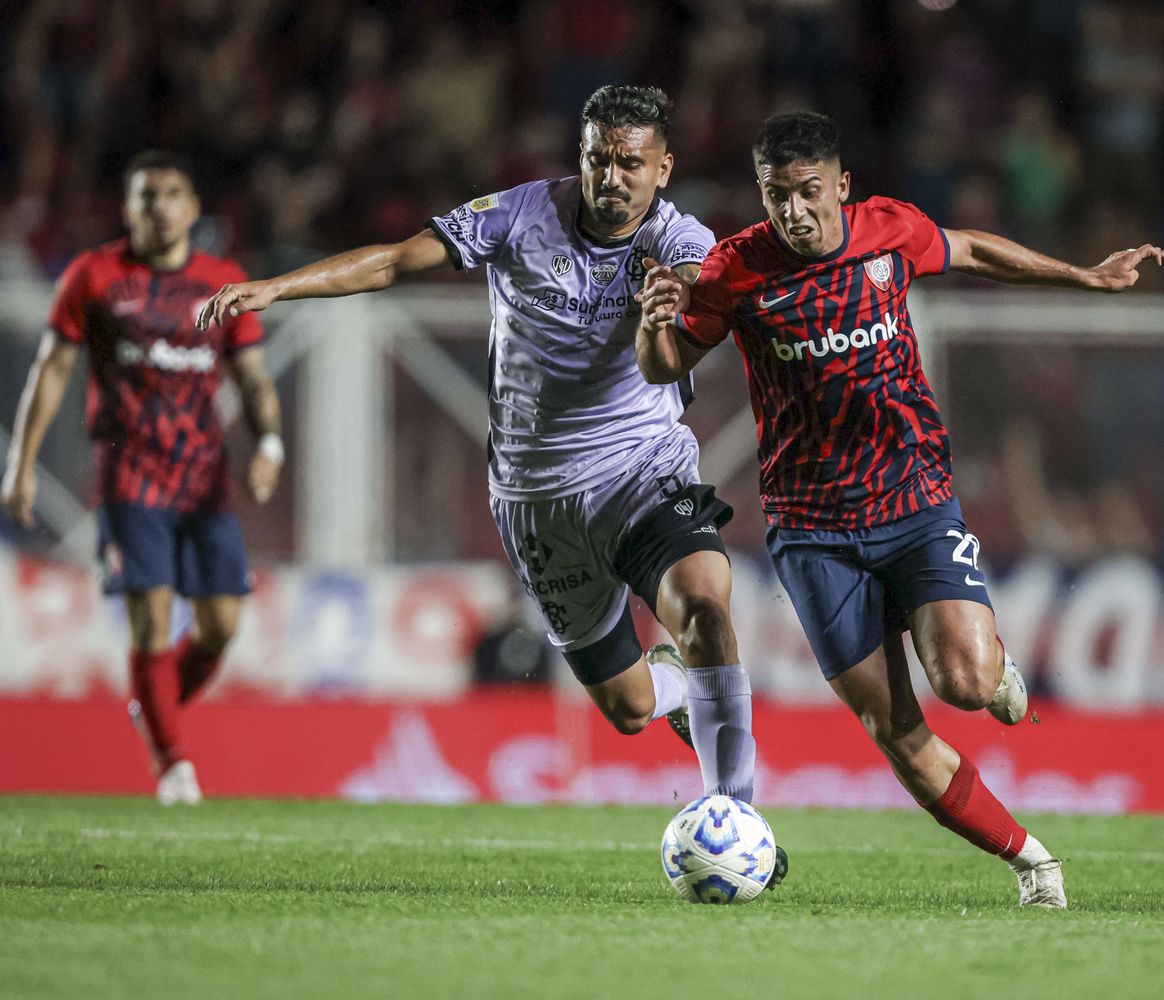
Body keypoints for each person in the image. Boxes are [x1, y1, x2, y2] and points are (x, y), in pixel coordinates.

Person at [196, 86, 786, 885]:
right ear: (581, 156)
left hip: (641, 469)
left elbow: (696, 288)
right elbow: (396, 261)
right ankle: (677, 687)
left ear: (662, 168)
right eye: (598, 159)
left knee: (708, 608)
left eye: (631, 164)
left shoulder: (679, 238)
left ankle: (736, 819)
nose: (612, 178)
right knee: (630, 709)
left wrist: (674, 300)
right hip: (535, 498)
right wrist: (276, 288)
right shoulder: (519, 214)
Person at [637, 111, 1164, 908]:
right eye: (776, 195)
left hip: (915, 500)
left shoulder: (888, 230)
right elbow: (667, 362)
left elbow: (975, 249)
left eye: (809, 192)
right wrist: (651, 325)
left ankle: (990, 659)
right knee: (896, 732)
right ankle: (1034, 863)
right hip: (812, 532)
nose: (793, 211)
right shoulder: (733, 271)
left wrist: (1084, 276)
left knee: (965, 681)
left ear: (841, 186)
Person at [1, 150, 285, 805]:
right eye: (145, 195)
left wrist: (269, 442)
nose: (159, 206)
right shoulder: (95, 276)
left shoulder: (223, 280)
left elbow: (254, 377)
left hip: (205, 480)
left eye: (171, 194)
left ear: (192, 207)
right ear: (127, 208)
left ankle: (153, 705)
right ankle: (172, 763)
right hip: (131, 475)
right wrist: (21, 463)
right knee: (151, 620)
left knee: (221, 626)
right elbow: (52, 369)